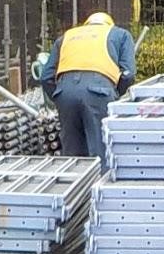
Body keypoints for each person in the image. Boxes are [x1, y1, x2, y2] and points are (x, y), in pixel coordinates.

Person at [34, 11, 137, 165]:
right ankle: (100, 186)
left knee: (72, 156)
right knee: (100, 151)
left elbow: (46, 77)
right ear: (109, 24)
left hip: (65, 92)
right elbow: (128, 75)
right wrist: (115, 95)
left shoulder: (67, 36)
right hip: (99, 91)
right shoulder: (120, 35)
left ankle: (74, 187)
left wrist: (59, 98)